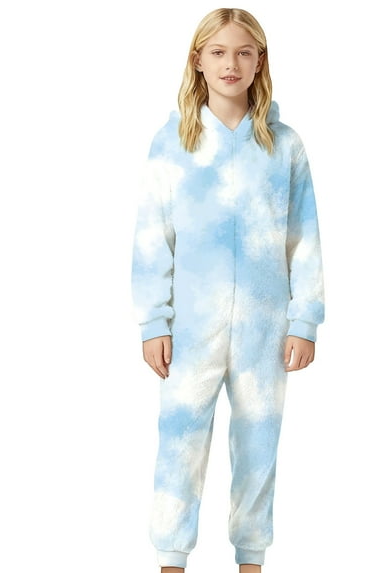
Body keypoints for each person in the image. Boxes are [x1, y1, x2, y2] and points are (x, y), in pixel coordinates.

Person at [131, 8, 325, 572]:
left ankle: (251, 560)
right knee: (180, 445)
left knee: (259, 448)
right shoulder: (173, 144)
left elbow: (304, 239)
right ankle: (171, 561)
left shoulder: (284, 147)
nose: (231, 63)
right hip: (191, 330)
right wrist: (153, 323)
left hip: (266, 330)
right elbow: (152, 240)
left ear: (259, 61)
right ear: (198, 61)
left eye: (243, 52)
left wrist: (304, 321)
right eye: (218, 52)